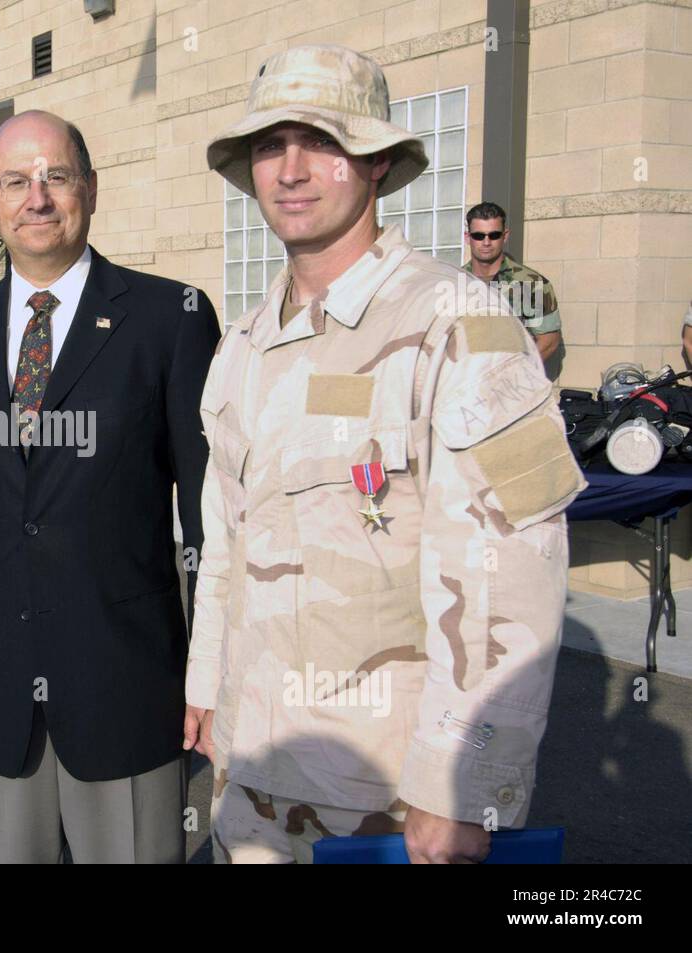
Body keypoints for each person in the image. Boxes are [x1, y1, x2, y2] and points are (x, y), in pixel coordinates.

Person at [189, 44, 587, 864]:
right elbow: (222, 544)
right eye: (270, 145)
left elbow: (513, 568)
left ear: (373, 164)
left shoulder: (459, 325)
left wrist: (462, 786)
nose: (291, 169)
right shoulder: (241, 346)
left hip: (383, 803)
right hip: (252, 780)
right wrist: (205, 690)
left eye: (322, 143)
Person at [0, 110, 220, 863]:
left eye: (56, 176)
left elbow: (211, 515)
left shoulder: (169, 320)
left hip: (127, 687)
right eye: (15, 180)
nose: (36, 197)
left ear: (91, 190)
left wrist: (212, 671)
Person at [463, 201, 562, 365]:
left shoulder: (531, 283)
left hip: (512, 384)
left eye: (494, 235)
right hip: (463, 383)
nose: (486, 242)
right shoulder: (455, 281)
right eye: (478, 236)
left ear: (505, 236)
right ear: (468, 237)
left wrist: (513, 373)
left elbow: (549, 341)